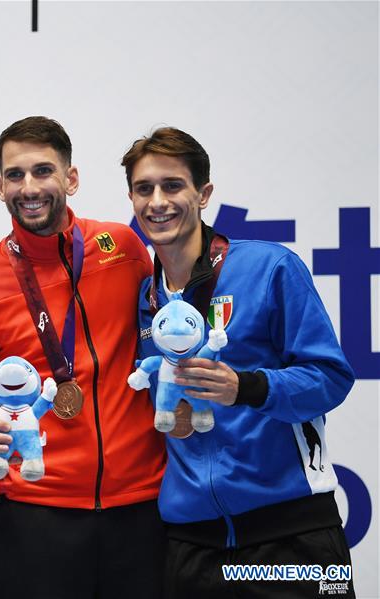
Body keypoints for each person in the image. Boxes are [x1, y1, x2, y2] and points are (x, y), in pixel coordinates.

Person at [122, 126, 356, 598]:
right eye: (144, 189)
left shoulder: (269, 268)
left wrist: (246, 387)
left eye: (172, 185)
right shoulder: (146, 299)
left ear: (203, 193)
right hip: (192, 542)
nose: (157, 201)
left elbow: (330, 377)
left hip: (289, 533)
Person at [0, 116, 167, 599]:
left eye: (43, 171)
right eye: (15, 175)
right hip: (34, 517)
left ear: (71, 178)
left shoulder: (123, 249)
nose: (29, 188)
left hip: (142, 510)